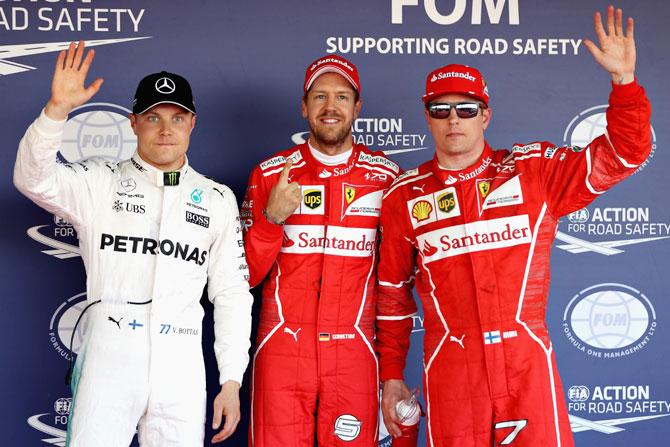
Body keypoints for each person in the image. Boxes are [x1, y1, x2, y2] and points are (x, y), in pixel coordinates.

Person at [376, 6, 651, 447]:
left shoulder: (532, 172)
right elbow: (391, 295)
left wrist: (624, 84)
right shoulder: (403, 196)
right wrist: (391, 374)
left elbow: (624, 155)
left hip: (527, 364)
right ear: (426, 115)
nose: (453, 120)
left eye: (466, 109)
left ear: (485, 116)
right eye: (440, 108)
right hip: (452, 370)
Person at [13, 41, 253, 446]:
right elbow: (32, 179)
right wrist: (56, 112)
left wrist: (231, 379)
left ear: (192, 123)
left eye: (177, 118)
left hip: (181, 364)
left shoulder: (215, 199)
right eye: (153, 117)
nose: (165, 130)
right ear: (133, 123)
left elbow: (231, 293)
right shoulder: (99, 181)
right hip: (109, 358)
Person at [241, 54, 401, 446]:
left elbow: (395, 283)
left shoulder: (387, 178)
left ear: (357, 107)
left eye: (342, 97)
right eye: (320, 97)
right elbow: (245, 276)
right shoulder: (271, 174)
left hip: (354, 350)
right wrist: (271, 220)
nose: (331, 107)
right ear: (304, 106)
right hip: (281, 347)